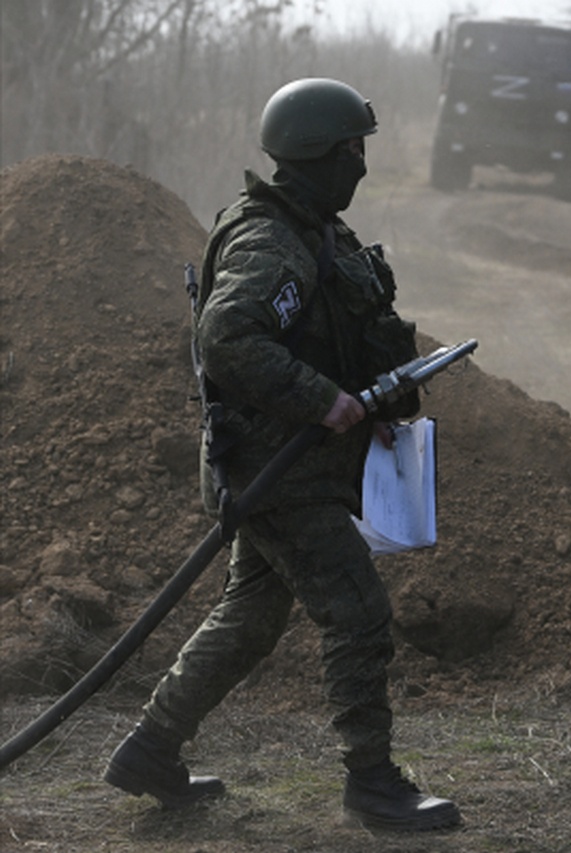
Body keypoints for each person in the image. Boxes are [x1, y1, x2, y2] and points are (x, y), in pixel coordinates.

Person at [102, 77, 461, 832]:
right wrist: (324, 401)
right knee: (357, 611)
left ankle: (150, 748)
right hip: (277, 472)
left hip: (279, 470)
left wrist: (368, 407)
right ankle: (373, 783)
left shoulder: (313, 227)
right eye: (352, 149)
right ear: (317, 155)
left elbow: (329, 333)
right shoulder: (272, 241)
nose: (362, 164)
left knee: (251, 616)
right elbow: (227, 336)